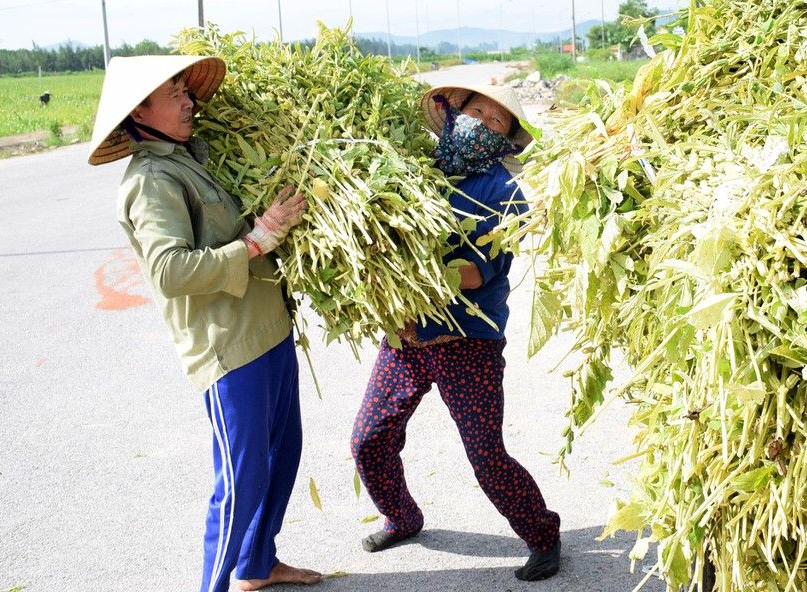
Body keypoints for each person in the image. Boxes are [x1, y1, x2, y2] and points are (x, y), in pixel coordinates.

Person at [88, 55, 322, 592]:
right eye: (174, 94)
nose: (189, 101)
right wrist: (257, 241)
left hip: (269, 327)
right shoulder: (151, 181)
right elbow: (169, 271)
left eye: (186, 92)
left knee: (281, 456)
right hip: (227, 346)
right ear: (138, 112)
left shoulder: (196, 157)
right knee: (241, 478)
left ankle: (257, 565)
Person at [350, 83, 562, 582]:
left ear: (504, 142)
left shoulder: (503, 193)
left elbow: (473, 273)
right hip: (407, 337)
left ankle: (543, 536)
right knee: (369, 439)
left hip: (468, 343)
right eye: (476, 111)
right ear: (454, 112)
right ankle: (401, 516)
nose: (481, 121)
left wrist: (408, 262)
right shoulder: (412, 172)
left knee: (486, 456)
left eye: (495, 123)